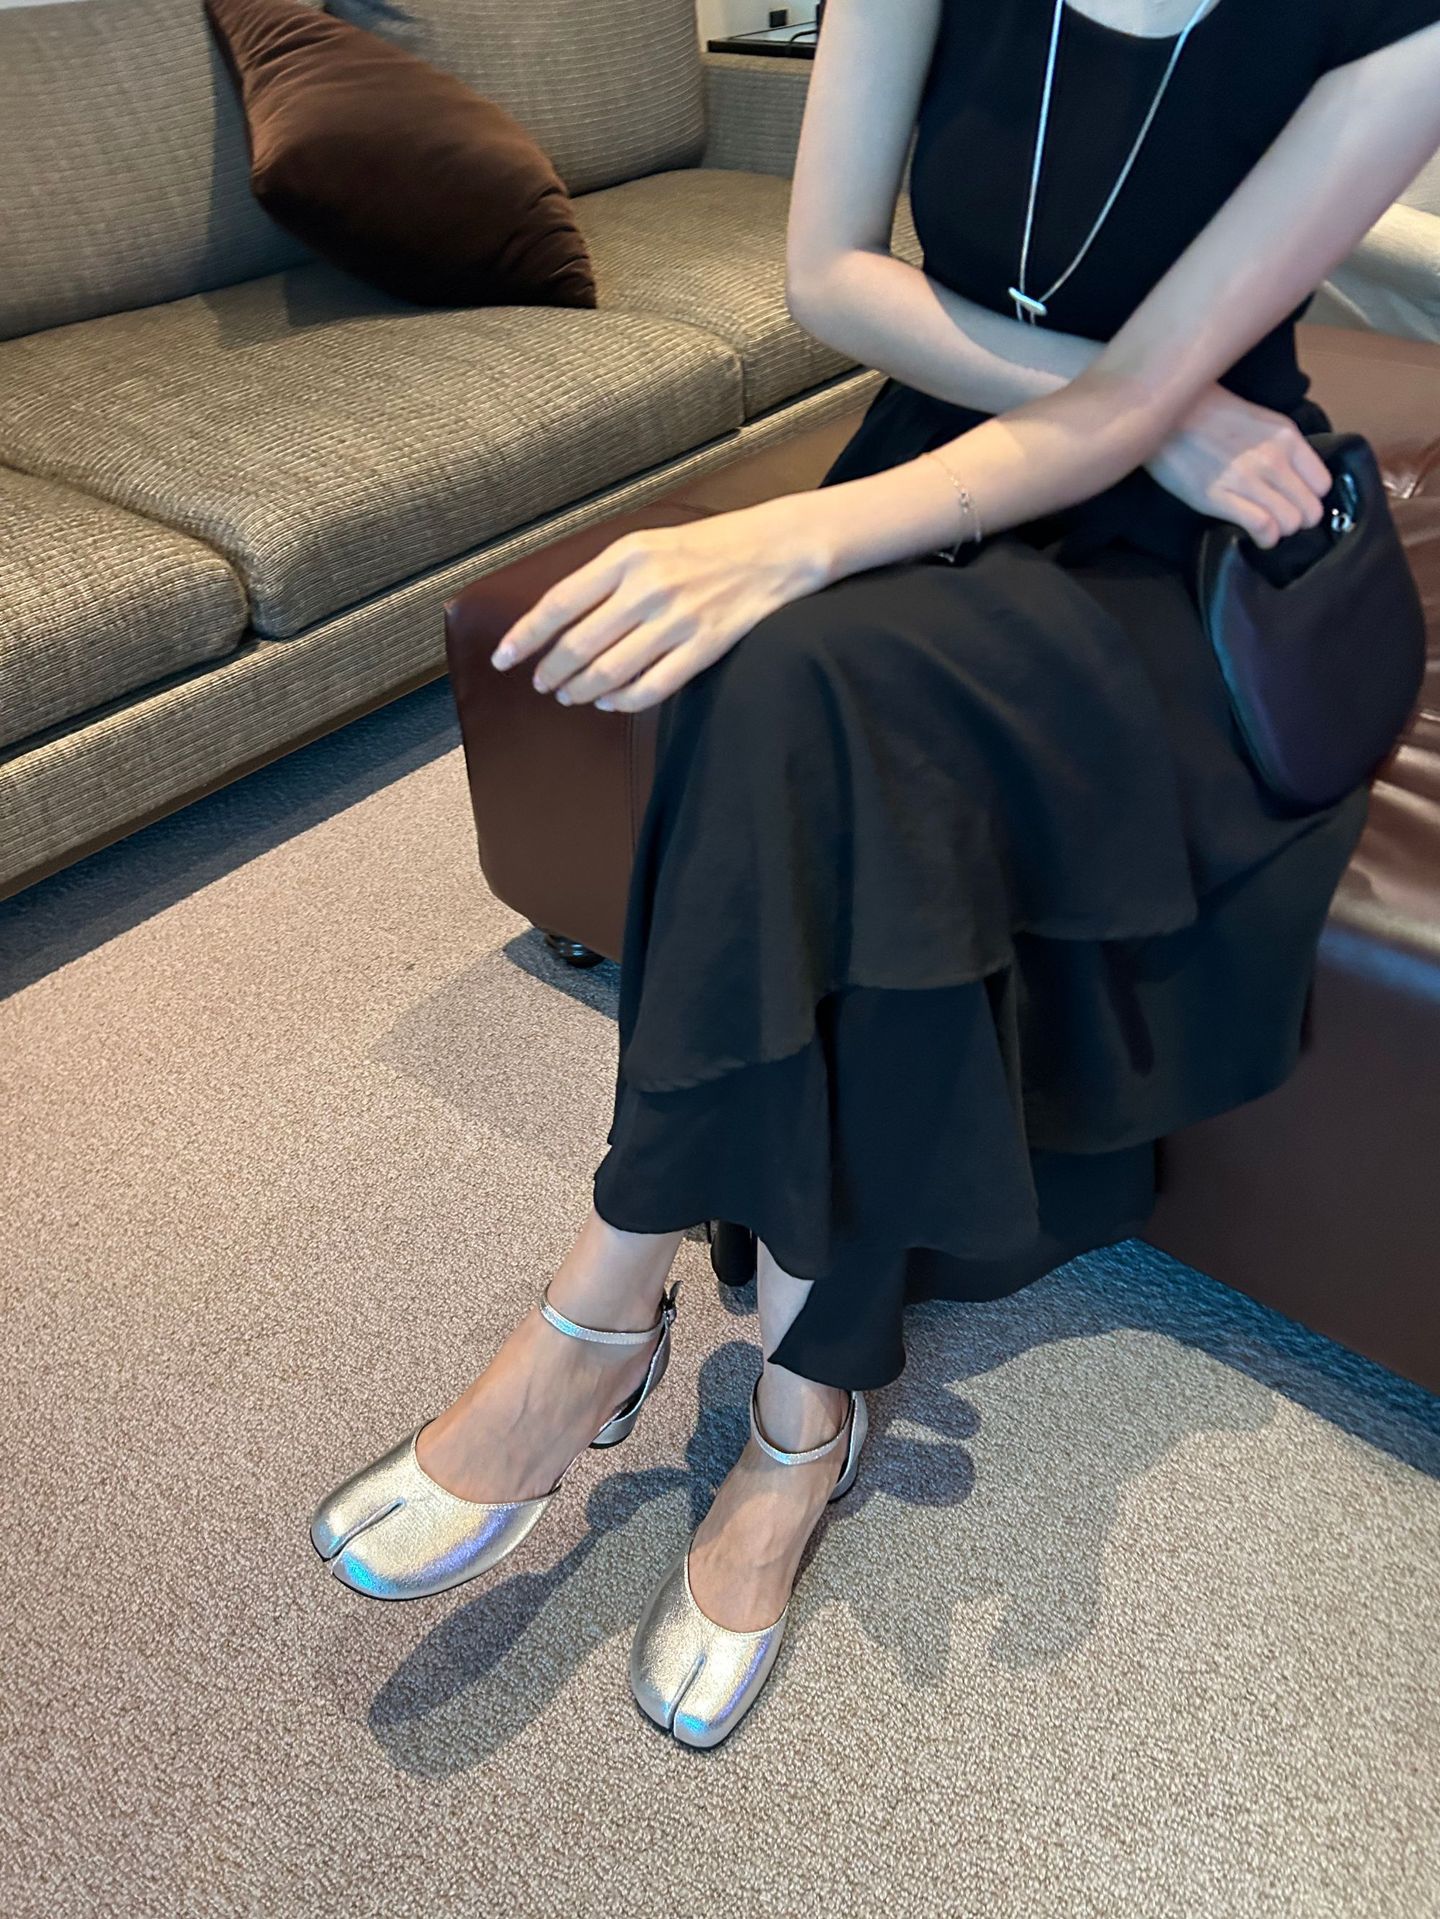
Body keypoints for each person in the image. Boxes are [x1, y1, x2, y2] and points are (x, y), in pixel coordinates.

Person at [311, 0, 1440, 1748]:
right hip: (966, 457)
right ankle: (795, 1409)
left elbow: (1154, 392)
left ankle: (610, 1315)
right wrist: (1142, 408)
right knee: (783, 693)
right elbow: (831, 279)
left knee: (790, 665)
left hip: (1186, 555)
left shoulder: (1395, 29)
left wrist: (798, 532)